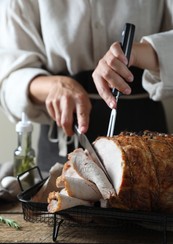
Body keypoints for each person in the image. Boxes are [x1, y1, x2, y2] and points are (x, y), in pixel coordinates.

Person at [0, 0, 173, 172]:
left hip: (146, 143)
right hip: (62, 144)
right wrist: (55, 85)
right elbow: (10, 79)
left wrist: (137, 52)